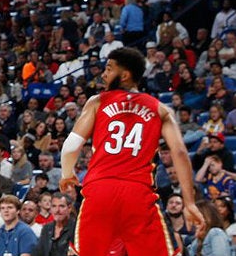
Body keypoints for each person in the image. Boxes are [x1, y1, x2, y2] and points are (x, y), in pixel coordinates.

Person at [60, 47, 204, 256]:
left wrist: (67, 174)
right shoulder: (161, 109)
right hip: (138, 193)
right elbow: (180, 153)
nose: (104, 74)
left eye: (109, 69)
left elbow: (71, 147)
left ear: (125, 75)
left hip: (99, 191)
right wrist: (189, 202)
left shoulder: (97, 101)